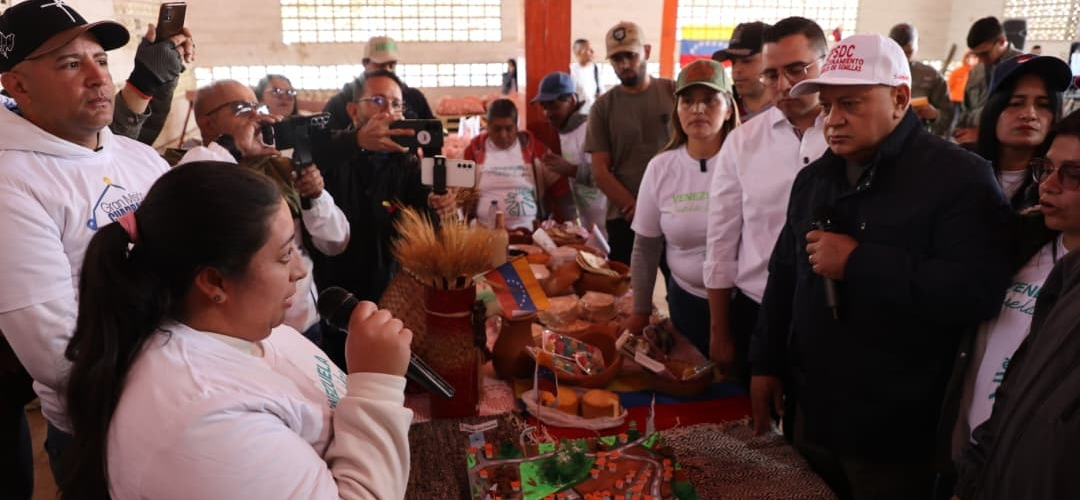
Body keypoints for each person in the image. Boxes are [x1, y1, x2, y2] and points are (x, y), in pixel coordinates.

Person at [750, 34, 1010, 499]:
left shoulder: (959, 179)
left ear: (899, 98)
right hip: (812, 409)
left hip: (894, 430)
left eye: (850, 103)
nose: (833, 120)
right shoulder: (814, 180)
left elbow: (976, 290)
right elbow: (784, 276)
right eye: (827, 106)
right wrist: (765, 363)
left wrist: (859, 262)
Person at [61, 162, 413, 498]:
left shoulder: (255, 331)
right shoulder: (203, 420)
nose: (299, 270)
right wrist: (375, 384)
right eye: (284, 254)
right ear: (215, 281)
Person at [0, 0, 172, 485]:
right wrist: (175, 386)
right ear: (17, 86)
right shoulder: (12, 182)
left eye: (100, 59)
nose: (98, 78)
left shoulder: (139, 157)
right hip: (103, 425)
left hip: (182, 400)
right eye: (71, 64)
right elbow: (55, 351)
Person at [941, 111, 1080, 500]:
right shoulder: (1018, 244)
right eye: (1047, 168)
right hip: (981, 462)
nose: (1048, 186)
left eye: (1073, 174)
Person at [703, 17, 830, 386]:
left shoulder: (852, 137)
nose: (785, 85)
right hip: (757, 312)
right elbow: (721, 240)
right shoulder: (743, 143)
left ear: (826, 61)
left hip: (835, 317)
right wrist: (720, 331)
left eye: (796, 70)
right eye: (771, 75)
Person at [181, 80, 350, 345]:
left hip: (300, 327)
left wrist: (315, 195)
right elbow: (195, 189)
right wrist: (233, 148)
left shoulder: (280, 168)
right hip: (233, 335)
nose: (256, 116)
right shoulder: (190, 164)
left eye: (256, 106)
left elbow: (335, 241)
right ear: (206, 123)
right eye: (240, 108)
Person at [624, 59, 738, 357]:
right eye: (688, 101)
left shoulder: (747, 164)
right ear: (677, 110)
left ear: (728, 109)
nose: (697, 110)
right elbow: (645, 247)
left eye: (710, 101)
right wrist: (640, 311)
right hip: (686, 302)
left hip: (743, 307)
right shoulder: (662, 168)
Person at [586, 21, 676, 264]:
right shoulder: (603, 107)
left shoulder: (674, 93)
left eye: (630, 55)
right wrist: (635, 207)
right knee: (626, 293)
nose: (624, 64)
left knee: (680, 286)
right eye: (616, 59)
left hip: (673, 211)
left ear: (646, 51)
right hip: (624, 216)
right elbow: (600, 170)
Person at [972, 54, 1072, 210]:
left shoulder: (1065, 181)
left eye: (1043, 105)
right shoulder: (961, 167)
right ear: (993, 110)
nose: (1029, 115)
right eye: (1015, 103)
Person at [465, 98, 574, 229]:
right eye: (497, 129)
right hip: (483, 234)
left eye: (509, 128)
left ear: (517, 127)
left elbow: (561, 190)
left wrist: (572, 223)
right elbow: (456, 194)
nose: (503, 135)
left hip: (530, 233)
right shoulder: (472, 152)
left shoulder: (536, 150)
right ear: (487, 126)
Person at [532, 72, 608, 236]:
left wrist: (570, 170)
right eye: (544, 107)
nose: (547, 113)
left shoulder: (590, 129)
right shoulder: (564, 130)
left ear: (572, 100)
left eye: (553, 106)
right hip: (589, 222)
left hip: (607, 220)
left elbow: (607, 175)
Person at [323, 36, 435, 130]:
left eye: (391, 65)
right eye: (380, 65)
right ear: (365, 63)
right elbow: (323, 146)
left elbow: (432, 138)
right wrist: (356, 140)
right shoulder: (339, 104)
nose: (387, 70)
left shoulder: (414, 98)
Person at [954, 17, 1022, 143]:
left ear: (1002, 41)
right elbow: (966, 108)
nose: (980, 60)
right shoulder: (976, 71)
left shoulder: (1022, 67)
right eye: (976, 55)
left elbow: (1020, 115)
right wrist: (959, 130)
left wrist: (984, 134)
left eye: (984, 54)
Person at [889, 23, 953, 137]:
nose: (904, 57)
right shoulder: (877, 72)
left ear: (917, 43)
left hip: (917, 138)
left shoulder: (931, 76)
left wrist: (935, 115)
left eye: (909, 52)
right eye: (899, 52)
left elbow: (949, 116)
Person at [712, 21, 775, 121]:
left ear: (772, 60)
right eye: (733, 62)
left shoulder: (792, 113)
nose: (737, 70)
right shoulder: (720, 113)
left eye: (747, 61)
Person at [570, 38, 603, 114]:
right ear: (579, 52)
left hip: (594, 114)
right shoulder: (571, 71)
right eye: (588, 49)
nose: (592, 52)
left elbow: (600, 92)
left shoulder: (595, 69)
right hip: (578, 116)